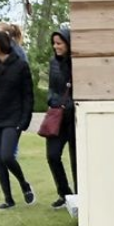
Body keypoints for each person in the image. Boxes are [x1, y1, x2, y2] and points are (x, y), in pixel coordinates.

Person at [0, 28, 35, 210]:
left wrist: (25, 120)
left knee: (7, 156)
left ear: (1, 44)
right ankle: (8, 199)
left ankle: (24, 184)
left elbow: (28, 95)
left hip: (13, 119)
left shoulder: (20, 66)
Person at [45, 25, 76, 206]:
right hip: (57, 117)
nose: (56, 47)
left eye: (59, 43)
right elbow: (51, 87)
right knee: (52, 155)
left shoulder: (76, 63)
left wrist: (70, 105)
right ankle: (64, 193)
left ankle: (80, 196)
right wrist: (51, 99)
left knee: (76, 159)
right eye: (54, 43)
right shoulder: (52, 62)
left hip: (73, 118)